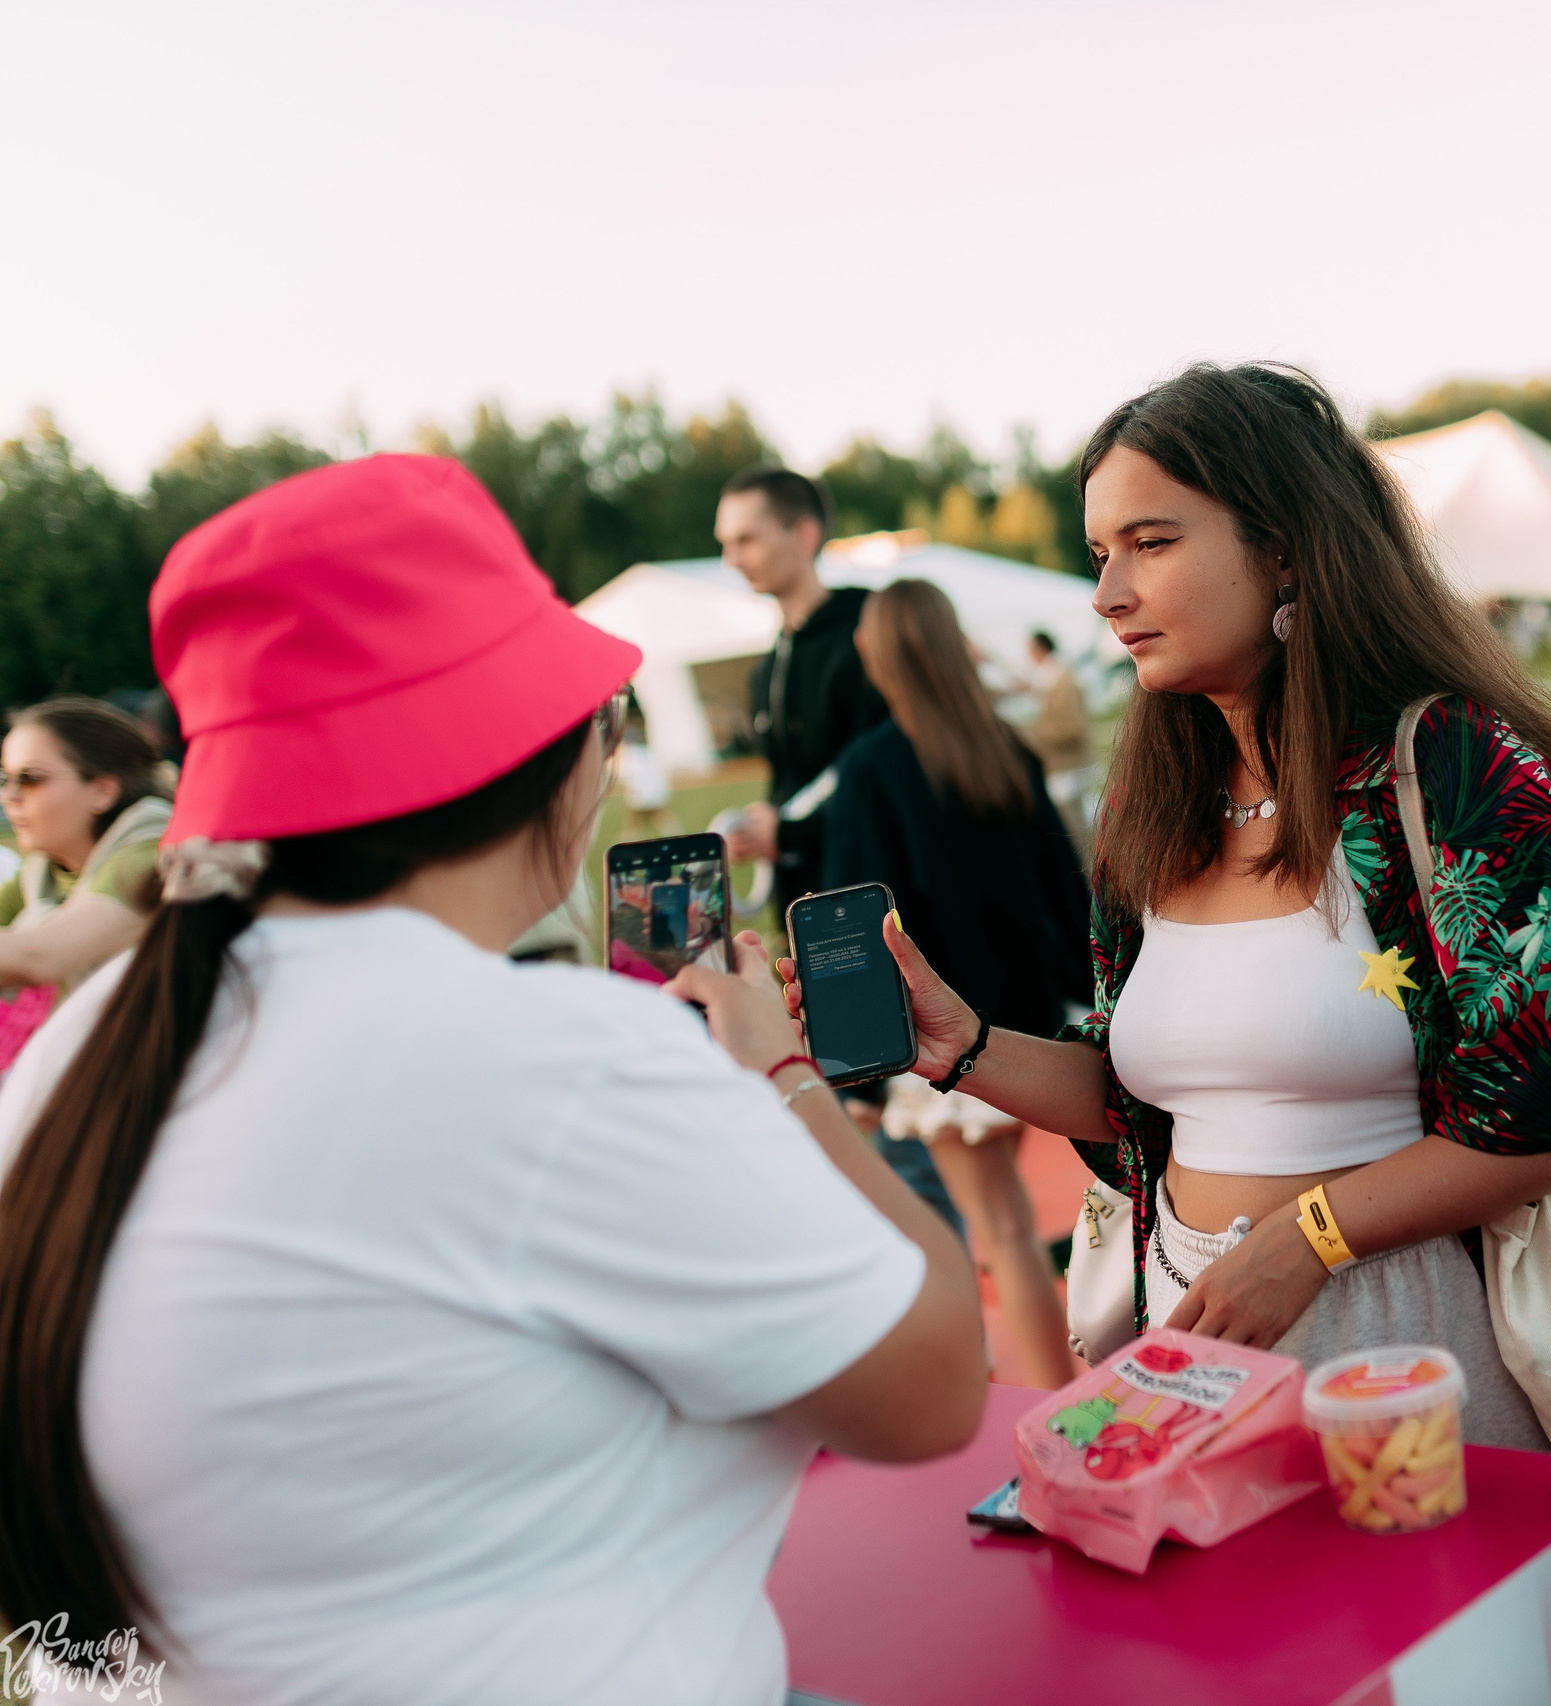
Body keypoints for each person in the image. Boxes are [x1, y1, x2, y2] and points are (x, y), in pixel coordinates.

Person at [0, 456, 982, 1701]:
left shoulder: (83, 1050)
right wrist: (783, 1069)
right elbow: (938, 1378)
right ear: (549, 760)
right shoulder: (556, 1053)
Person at [797, 362, 1551, 1449]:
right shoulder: (1154, 806)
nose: (1107, 594)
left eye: (1150, 541)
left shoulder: (1449, 766)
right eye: (1100, 554)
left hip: (1401, 1342)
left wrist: (1311, 1236)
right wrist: (961, 1045)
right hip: (1191, 1334)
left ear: (1283, 542)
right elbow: (1141, 1106)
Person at [825, 579, 1092, 1389]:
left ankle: (1052, 1409)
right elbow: (1066, 889)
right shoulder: (1004, 748)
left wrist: (860, 1067)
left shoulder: (871, 771)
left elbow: (856, 924)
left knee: (1001, 1231)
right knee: (1022, 1223)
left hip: (944, 1041)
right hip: (1034, 1027)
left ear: (877, 654)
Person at [716, 465, 887, 915]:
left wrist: (789, 831)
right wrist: (761, 825)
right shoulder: (769, 665)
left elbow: (879, 769)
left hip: (871, 904)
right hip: (804, 904)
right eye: (725, 543)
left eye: (746, 539)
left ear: (804, 534)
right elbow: (799, 780)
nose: (730, 559)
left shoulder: (867, 636)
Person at [0, 698, 173, 1001]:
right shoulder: (42, 872)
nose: (9, 796)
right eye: (5, 778)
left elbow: (41, 955)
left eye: (30, 779)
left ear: (102, 791)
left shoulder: (150, 858)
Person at [1018, 628, 1095, 856]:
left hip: (1069, 768)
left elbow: (1070, 727)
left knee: (1076, 834)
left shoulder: (1061, 679)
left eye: (1029, 650)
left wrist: (1031, 732)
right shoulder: (1052, 678)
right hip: (1065, 767)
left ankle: (1095, 885)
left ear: (1040, 649)